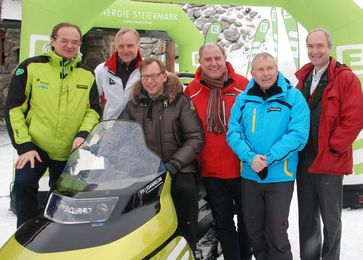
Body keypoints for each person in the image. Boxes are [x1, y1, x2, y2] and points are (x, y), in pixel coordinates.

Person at [4, 22, 101, 227]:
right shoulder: (31, 67)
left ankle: (58, 236)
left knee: (68, 198)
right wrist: (25, 146)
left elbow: (93, 111)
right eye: (64, 40)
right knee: (22, 185)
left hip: (71, 150)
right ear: (53, 41)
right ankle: (27, 231)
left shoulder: (87, 74)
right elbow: (14, 109)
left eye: (75, 42)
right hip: (37, 148)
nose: (69, 46)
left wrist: (83, 134)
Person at [227, 52, 310, 260]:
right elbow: (234, 132)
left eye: (270, 68)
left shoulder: (293, 97)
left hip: (279, 177)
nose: (266, 73)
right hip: (250, 175)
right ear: (252, 73)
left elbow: (298, 135)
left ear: (276, 69)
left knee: (276, 234)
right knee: (255, 232)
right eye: (261, 69)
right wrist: (250, 157)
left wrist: (269, 158)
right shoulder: (243, 99)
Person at [119, 57, 204, 252]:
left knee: (183, 191)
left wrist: (174, 165)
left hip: (179, 167)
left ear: (164, 76)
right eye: (145, 77)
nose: (149, 81)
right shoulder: (134, 104)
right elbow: (120, 134)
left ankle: (188, 244)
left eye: (154, 75)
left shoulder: (180, 101)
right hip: (145, 168)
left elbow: (195, 138)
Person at [296, 28, 363, 260]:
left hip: (330, 159)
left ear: (329, 47)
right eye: (311, 47)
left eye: (320, 46)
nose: (315, 51)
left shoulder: (345, 78)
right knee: (306, 217)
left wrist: (333, 148)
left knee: (331, 220)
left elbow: (354, 118)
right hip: (304, 159)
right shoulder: (303, 78)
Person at [184, 43, 251, 260]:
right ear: (200, 62)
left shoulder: (243, 85)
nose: (213, 63)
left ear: (225, 59)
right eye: (207, 59)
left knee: (247, 222)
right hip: (211, 171)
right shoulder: (192, 90)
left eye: (217, 58)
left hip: (242, 169)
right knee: (223, 224)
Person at [95, 28, 142, 120]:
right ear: (116, 46)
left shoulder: (148, 69)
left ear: (138, 45)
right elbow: (94, 102)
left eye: (130, 45)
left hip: (138, 128)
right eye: (121, 46)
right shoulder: (102, 70)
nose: (125, 50)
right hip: (110, 126)